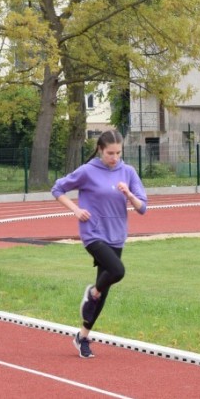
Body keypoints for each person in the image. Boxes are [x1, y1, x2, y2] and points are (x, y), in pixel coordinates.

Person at [51, 130, 148, 359]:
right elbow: (57, 189)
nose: (114, 158)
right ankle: (91, 292)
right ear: (100, 150)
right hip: (93, 233)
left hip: (117, 235)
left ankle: (82, 337)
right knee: (117, 271)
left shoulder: (128, 172)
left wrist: (129, 194)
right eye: (109, 153)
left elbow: (142, 207)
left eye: (118, 153)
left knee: (103, 291)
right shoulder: (88, 171)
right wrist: (75, 209)